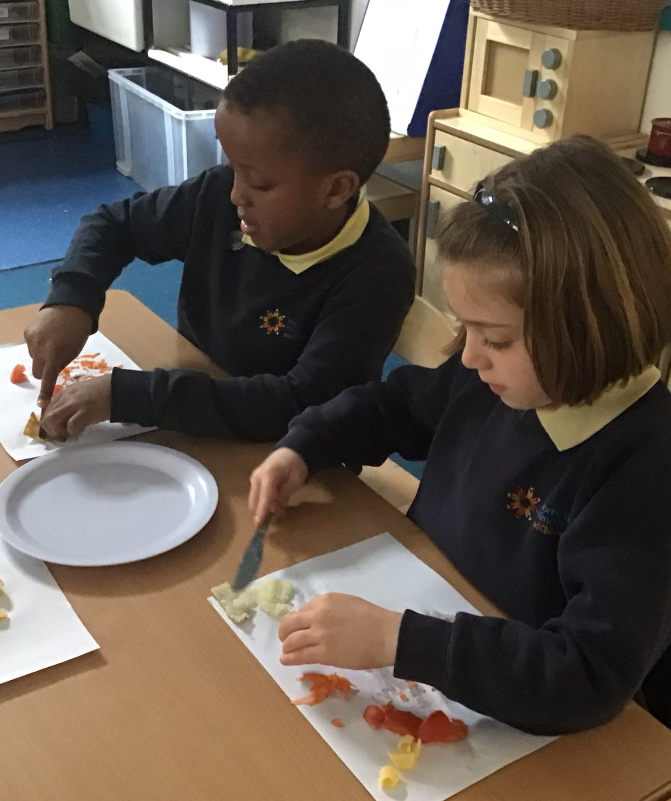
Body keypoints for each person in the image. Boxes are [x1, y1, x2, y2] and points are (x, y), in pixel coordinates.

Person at [248, 136, 671, 735]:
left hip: (538, 720)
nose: (470, 357)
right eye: (465, 329)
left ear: (589, 327)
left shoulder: (646, 469)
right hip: (438, 608)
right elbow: (397, 406)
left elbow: (586, 675)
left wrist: (399, 640)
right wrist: (306, 445)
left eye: (495, 338)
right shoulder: (502, 380)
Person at [26, 39, 415, 442]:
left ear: (335, 190)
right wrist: (72, 299)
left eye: (259, 183)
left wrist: (131, 396)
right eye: (232, 167)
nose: (235, 195)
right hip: (192, 421)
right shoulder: (218, 196)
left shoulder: (378, 272)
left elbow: (303, 402)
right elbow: (114, 225)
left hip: (287, 455)